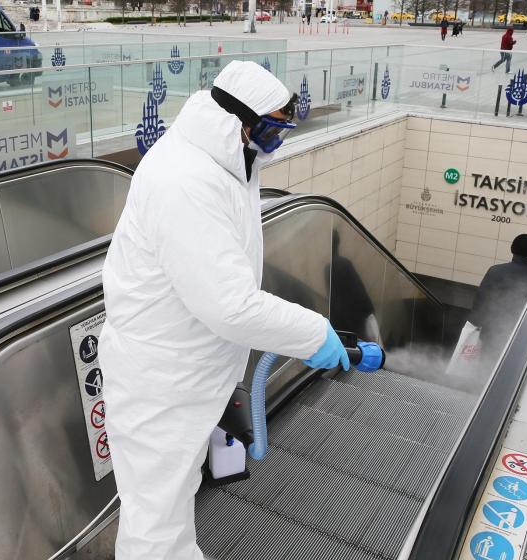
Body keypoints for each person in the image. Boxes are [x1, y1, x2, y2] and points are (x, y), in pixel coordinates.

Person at [99, 61, 350, 560]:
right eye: (272, 131)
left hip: (188, 374)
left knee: (174, 497)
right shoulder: (184, 179)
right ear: (237, 121)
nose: (274, 145)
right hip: (159, 383)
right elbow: (228, 305)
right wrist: (313, 333)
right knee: (154, 519)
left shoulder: (224, 160)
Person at [468, 234, 527, 364]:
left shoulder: (495, 271)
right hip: (522, 340)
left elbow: (481, 302)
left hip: (491, 334)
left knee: (486, 370)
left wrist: (475, 325)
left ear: (512, 249)